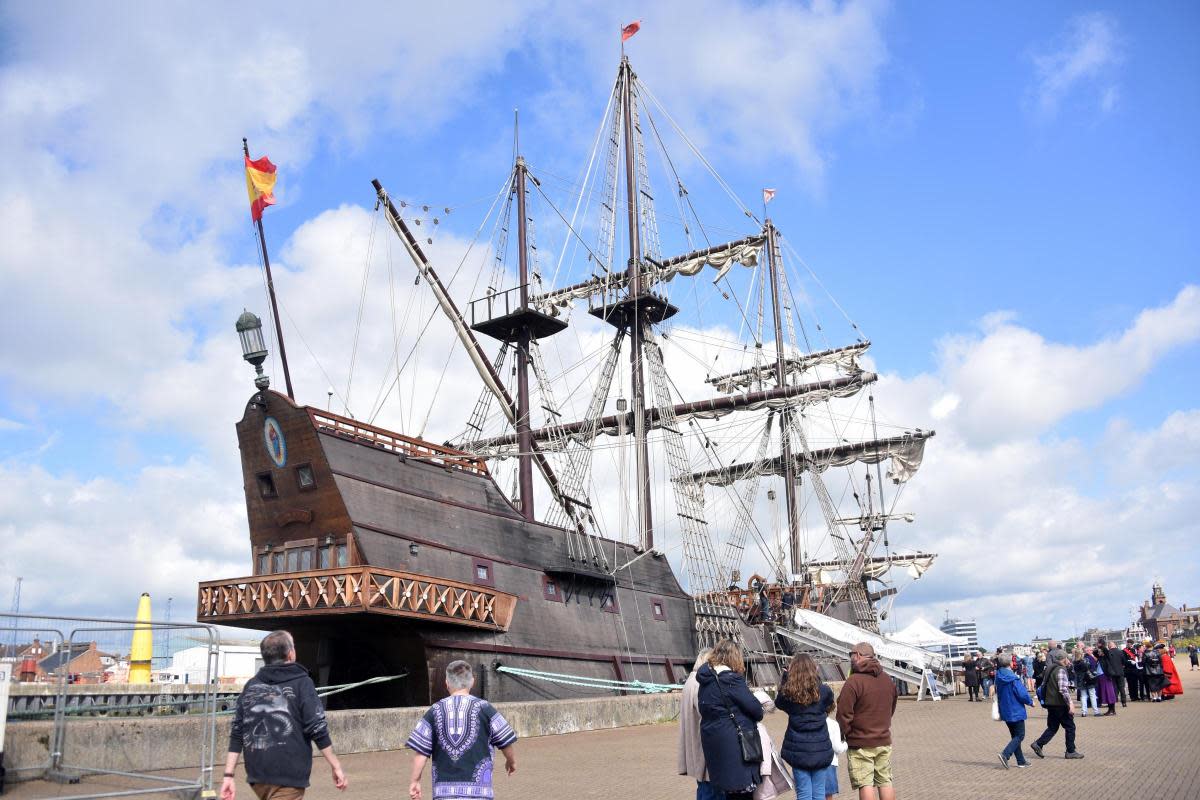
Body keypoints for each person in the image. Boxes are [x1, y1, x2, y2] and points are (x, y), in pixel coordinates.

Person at [221, 630, 347, 800]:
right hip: (288, 777)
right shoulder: (302, 683)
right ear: (290, 654)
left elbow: (238, 731)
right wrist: (336, 765)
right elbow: (317, 727)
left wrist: (228, 775)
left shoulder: (251, 685)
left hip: (257, 778)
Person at [405, 661, 517, 800]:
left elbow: (421, 751)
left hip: (444, 793)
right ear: (473, 682)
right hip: (479, 793)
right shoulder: (486, 709)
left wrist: (415, 781)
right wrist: (511, 761)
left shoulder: (434, 710)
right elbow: (505, 742)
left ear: (447, 683)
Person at [697, 639, 764, 800]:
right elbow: (756, 711)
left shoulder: (705, 680)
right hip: (735, 748)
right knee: (742, 794)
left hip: (715, 746)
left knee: (727, 793)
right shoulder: (731, 679)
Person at [836, 642, 898, 800]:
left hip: (860, 741)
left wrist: (846, 733)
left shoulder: (853, 681)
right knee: (885, 781)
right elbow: (891, 707)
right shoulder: (887, 680)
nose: (850, 658)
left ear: (857, 655)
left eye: (851, 655)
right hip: (883, 738)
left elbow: (843, 713)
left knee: (865, 783)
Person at [776, 653, 835, 800]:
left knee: (803, 793)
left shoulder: (789, 693)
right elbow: (829, 704)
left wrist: (785, 679)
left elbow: (779, 703)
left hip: (798, 749)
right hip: (820, 747)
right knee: (819, 792)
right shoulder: (824, 690)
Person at [678, 648, 724, 800]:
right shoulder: (700, 684)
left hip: (695, 744)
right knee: (711, 790)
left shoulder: (690, 682)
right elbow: (708, 712)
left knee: (704, 788)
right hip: (704, 746)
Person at [1031, 649, 1082, 760]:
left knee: (1053, 727)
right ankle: (1070, 751)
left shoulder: (1050, 668)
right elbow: (1062, 689)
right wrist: (1070, 703)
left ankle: (1038, 744)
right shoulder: (1061, 670)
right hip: (1059, 704)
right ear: (1064, 659)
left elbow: (1053, 684)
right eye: (1067, 658)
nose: (1068, 661)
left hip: (1050, 702)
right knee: (1070, 727)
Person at [994, 650, 1033, 769]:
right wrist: (1031, 702)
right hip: (1015, 709)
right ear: (1010, 663)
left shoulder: (998, 676)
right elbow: (1022, 694)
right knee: (1020, 735)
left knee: (1015, 736)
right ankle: (1005, 754)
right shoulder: (1013, 678)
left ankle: (1020, 760)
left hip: (1005, 709)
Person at [823, 703, 847, 800]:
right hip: (829, 763)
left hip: (810, 762)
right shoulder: (833, 724)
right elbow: (837, 748)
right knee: (828, 794)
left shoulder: (807, 722)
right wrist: (846, 744)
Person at [1094, 640, 1120, 714]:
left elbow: (1105, 650)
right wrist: (1097, 648)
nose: (1098, 652)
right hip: (1101, 676)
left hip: (1105, 676)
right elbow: (1095, 653)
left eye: (1100, 651)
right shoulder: (1100, 658)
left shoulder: (1107, 656)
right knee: (1106, 693)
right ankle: (1110, 710)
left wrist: (1101, 645)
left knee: (1109, 692)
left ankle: (1112, 710)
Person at [1071, 647, 1098, 718]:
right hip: (1088, 679)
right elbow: (1088, 669)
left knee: (1083, 696)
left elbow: (1074, 672)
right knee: (1092, 695)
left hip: (1080, 680)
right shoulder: (1084, 661)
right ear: (1081, 654)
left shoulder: (1074, 663)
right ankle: (1096, 711)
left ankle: (1084, 712)